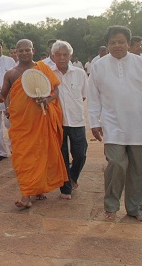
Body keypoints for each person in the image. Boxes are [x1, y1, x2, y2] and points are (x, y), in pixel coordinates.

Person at [87, 26, 142, 222]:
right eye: (112, 42)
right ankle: (111, 205)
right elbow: (93, 97)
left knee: (140, 169)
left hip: (140, 124)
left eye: (120, 42)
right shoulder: (99, 66)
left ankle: (137, 208)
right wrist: (94, 121)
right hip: (113, 123)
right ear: (107, 45)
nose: (116, 45)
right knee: (116, 164)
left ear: (129, 43)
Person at [0, 39, 68, 209]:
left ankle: (29, 194)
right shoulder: (10, 74)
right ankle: (28, 190)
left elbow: (55, 90)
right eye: (21, 51)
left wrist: (47, 100)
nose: (24, 53)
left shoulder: (42, 68)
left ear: (33, 50)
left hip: (40, 120)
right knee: (23, 157)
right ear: (16, 52)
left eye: (27, 50)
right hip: (21, 124)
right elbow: (3, 97)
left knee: (41, 154)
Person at [50, 41, 88, 200]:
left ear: (70, 56)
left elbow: (84, 95)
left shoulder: (79, 73)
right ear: (53, 56)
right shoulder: (48, 74)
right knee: (62, 155)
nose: (62, 58)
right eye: (58, 55)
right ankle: (65, 188)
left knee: (80, 154)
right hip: (57, 122)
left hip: (77, 120)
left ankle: (72, 177)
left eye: (65, 54)